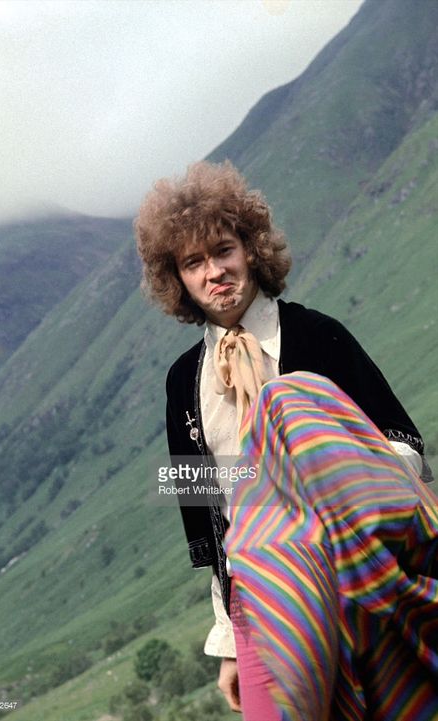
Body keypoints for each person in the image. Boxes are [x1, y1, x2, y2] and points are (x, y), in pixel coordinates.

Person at [135, 160, 433, 718]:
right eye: (193, 262)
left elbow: (405, 447)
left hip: (358, 583)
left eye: (223, 249)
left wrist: (332, 477)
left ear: (251, 249)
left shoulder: (320, 335)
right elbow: (212, 521)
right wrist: (228, 643)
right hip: (258, 610)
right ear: (177, 278)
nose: (214, 272)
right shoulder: (180, 384)